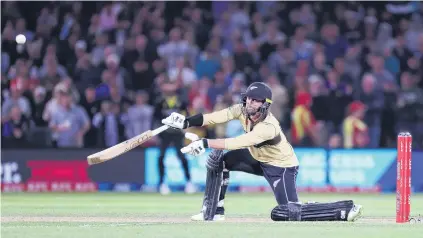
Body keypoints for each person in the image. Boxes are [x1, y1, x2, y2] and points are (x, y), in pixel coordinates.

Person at [162, 82, 363, 222]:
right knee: (218, 161)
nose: (250, 102)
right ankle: (213, 212)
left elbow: (240, 141)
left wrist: (205, 143)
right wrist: (185, 122)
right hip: (256, 158)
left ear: (265, 104)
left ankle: (341, 209)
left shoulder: (269, 126)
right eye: (248, 98)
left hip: (281, 167)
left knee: (285, 212)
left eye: (256, 100)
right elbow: (215, 117)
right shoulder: (242, 110)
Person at [153, 81, 196, 195]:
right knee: (161, 156)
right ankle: (162, 183)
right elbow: (155, 118)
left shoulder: (181, 101)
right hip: (164, 133)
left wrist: (186, 128)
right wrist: (154, 134)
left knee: (181, 156)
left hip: (178, 133)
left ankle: (189, 182)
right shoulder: (160, 101)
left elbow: (187, 115)